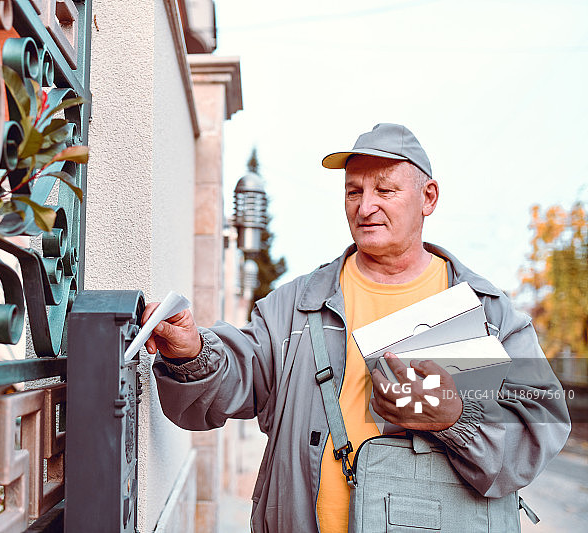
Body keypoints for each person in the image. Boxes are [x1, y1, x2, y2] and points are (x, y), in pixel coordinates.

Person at [142, 123, 571, 532]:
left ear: (429, 197)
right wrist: (192, 351)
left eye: (385, 189)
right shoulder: (296, 305)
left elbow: (542, 423)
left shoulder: (488, 313)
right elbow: (238, 375)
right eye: (353, 191)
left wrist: (454, 418)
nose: (365, 207)